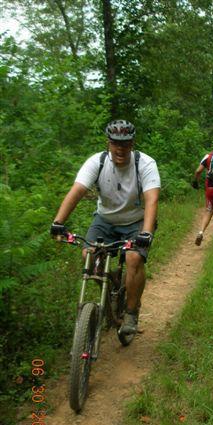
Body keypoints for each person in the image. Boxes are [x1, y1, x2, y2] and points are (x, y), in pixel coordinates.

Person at [50, 119, 161, 335]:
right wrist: (58, 222)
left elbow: (151, 200)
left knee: (133, 258)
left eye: (126, 143)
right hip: (105, 220)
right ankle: (110, 289)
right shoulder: (97, 162)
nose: (120, 148)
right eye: (115, 143)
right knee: (88, 255)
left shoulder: (145, 164)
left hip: (136, 221)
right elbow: (78, 191)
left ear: (132, 143)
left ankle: (130, 312)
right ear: (108, 143)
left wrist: (146, 232)